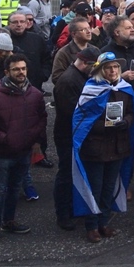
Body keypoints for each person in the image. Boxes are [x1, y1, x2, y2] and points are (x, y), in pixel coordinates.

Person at [72, 52, 134, 243]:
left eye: (116, 67)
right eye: (108, 67)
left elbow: (133, 112)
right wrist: (105, 126)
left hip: (117, 146)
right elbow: (83, 120)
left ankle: (104, 222)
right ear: (100, 70)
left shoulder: (125, 89)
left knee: (109, 187)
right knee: (95, 187)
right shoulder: (91, 90)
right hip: (96, 148)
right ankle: (91, 226)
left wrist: (126, 122)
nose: (113, 70)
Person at [0, 54, 47, 246]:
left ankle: (9, 221)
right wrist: (7, 139)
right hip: (2, 154)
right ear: (6, 72)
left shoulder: (34, 94)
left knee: (14, 189)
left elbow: (42, 118)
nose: (21, 72)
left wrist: (33, 138)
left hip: (23, 152)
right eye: (16, 69)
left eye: (23, 68)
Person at [52, 46, 100, 231]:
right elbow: (72, 112)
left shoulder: (78, 77)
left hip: (74, 134)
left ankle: (71, 209)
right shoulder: (68, 81)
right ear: (86, 64)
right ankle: (63, 214)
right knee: (66, 174)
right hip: (68, 135)